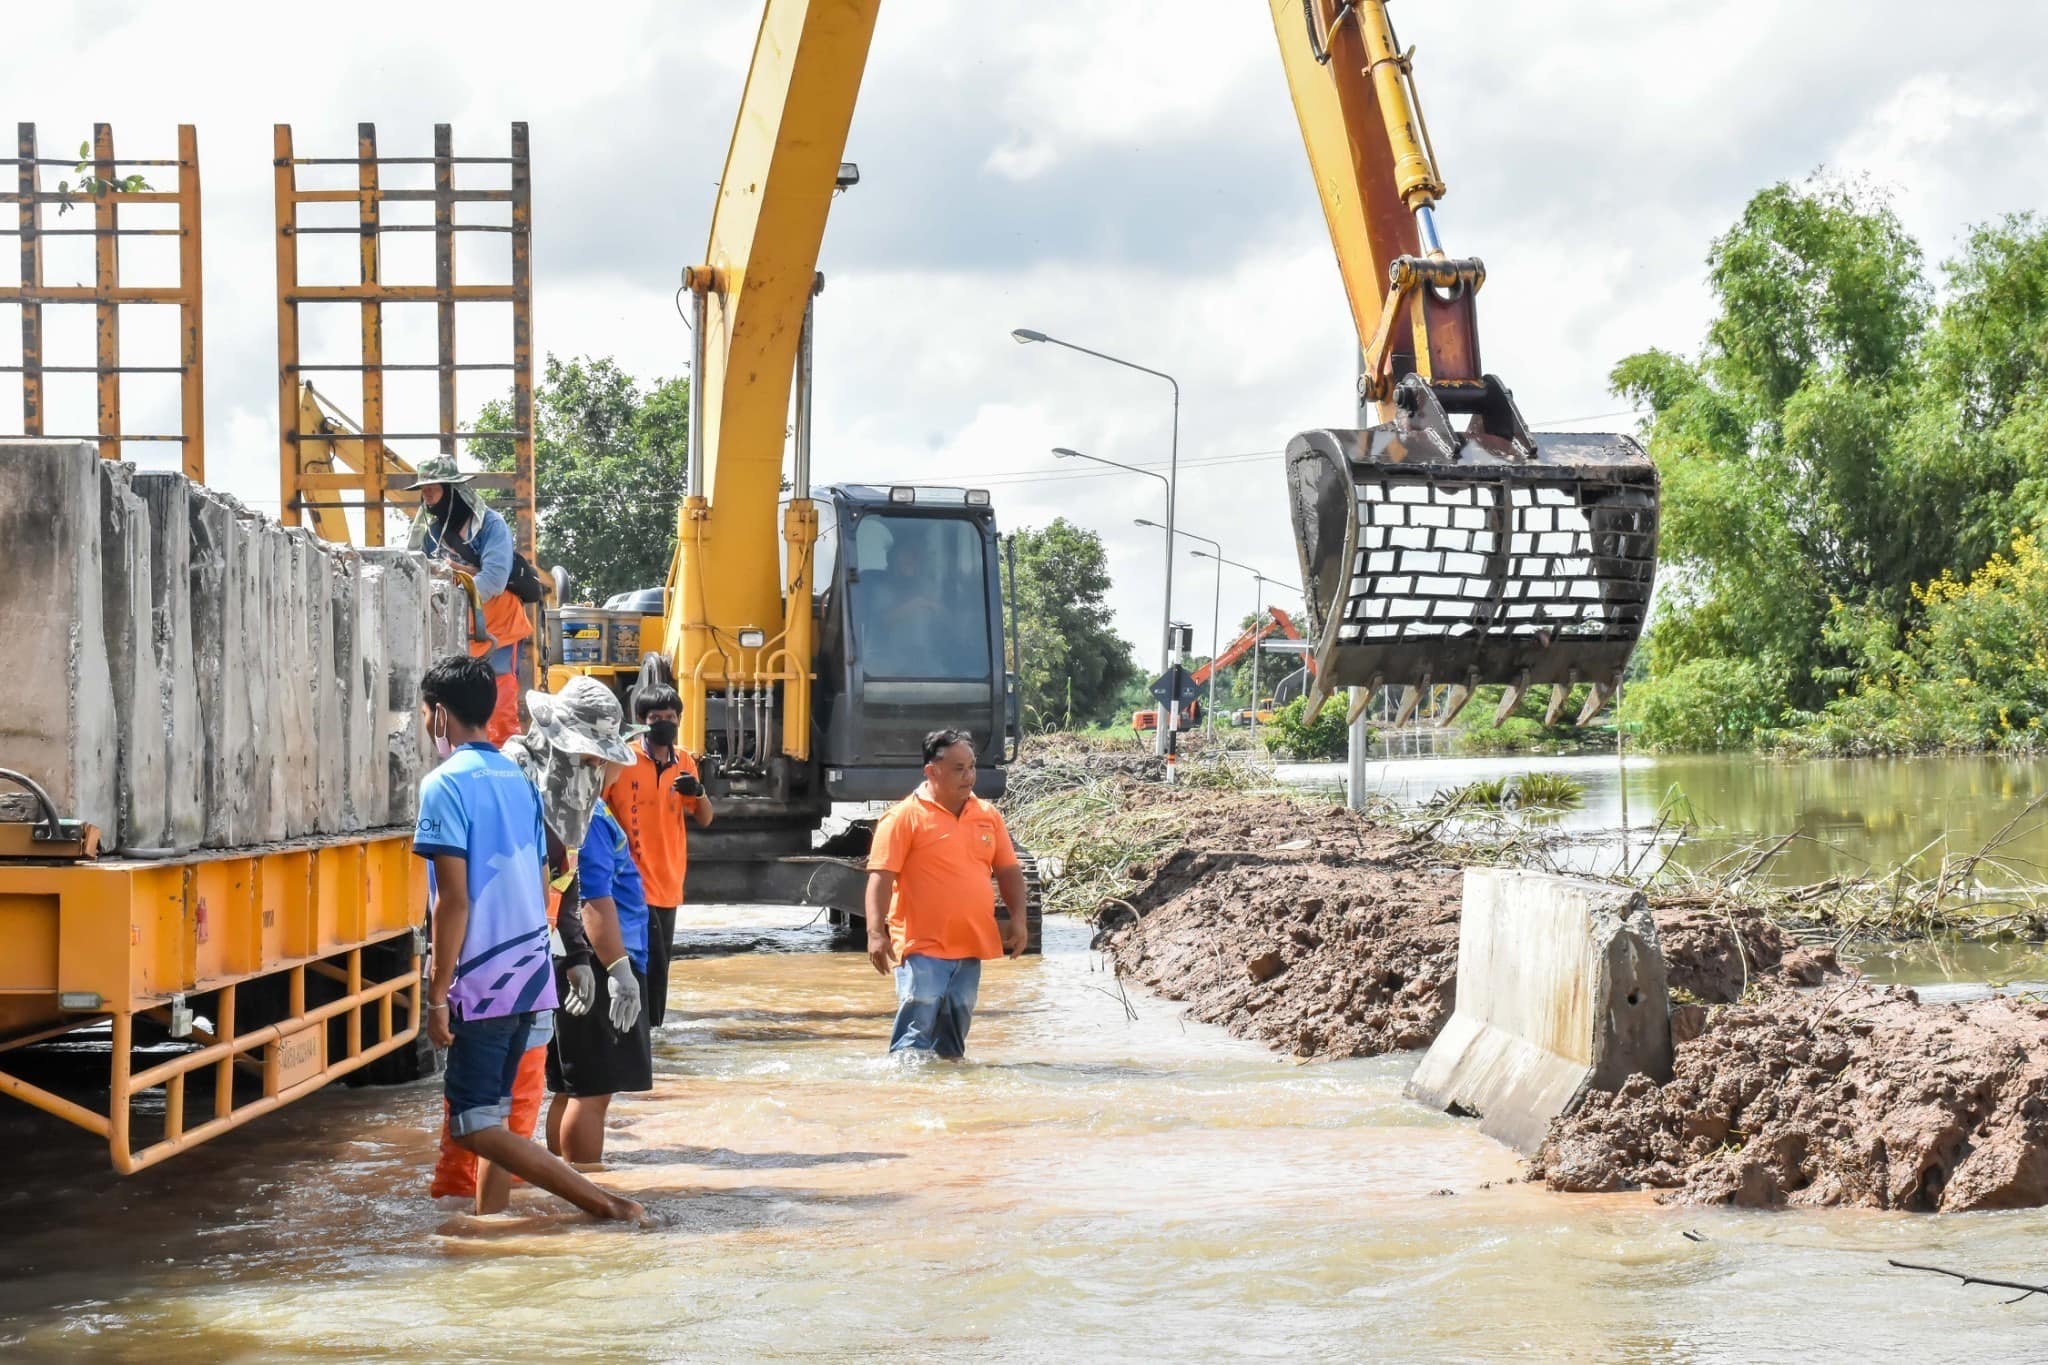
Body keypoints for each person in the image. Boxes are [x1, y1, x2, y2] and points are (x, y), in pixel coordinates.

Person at [412, 655, 642, 1223]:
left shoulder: (445, 785)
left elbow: (453, 901)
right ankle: (488, 1224)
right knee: (504, 1115)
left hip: (484, 979)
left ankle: (606, 1204)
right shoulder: (520, 781)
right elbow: (546, 881)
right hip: (531, 975)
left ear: (438, 716)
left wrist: (437, 994)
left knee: (474, 1123)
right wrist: (570, 954)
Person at [513, 677, 656, 1166]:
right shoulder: (583, 814)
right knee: (592, 1089)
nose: (612, 766)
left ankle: (563, 1179)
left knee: (570, 1085)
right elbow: (594, 900)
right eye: (602, 758)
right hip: (595, 961)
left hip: (575, 957)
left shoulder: (578, 809)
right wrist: (617, 970)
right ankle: (588, 1182)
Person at [864, 729, 1029, 1059]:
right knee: (914, 1039)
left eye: (972, 767)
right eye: (958, 769)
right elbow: (880, 878)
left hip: (970, 946)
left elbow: (1009, 871)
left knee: (952, 1045)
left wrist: (1019, 920)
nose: (969, 776)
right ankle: (907, 1089)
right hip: (921, 947)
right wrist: (875, 934)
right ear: (932, 771)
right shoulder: (903, 818)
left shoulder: (987, 816)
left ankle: (948, 1090)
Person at [602, 684, 715, 1025]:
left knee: (659, 968)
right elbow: (597, 810)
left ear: (679, 719)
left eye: (670, 717)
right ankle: (636, 1031)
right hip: (629, 882)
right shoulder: (622, 759)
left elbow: (705, 818)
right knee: (637, 964)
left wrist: (699, 791)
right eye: (655, 717)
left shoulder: (685, 762)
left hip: (669, 881)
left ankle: (653, 1034)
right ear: (641, 720)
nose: (664, 723)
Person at [409, 459, 531, 746]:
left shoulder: (490, 525)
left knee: (499, 711)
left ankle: (501, 764)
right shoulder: (432, 535)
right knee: (456, 712)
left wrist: (452, 589)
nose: (427, 497)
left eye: (432, 489)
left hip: (497, 633)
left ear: (452, 490)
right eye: (423, 490)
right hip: (457, 635)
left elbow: (493, 580)